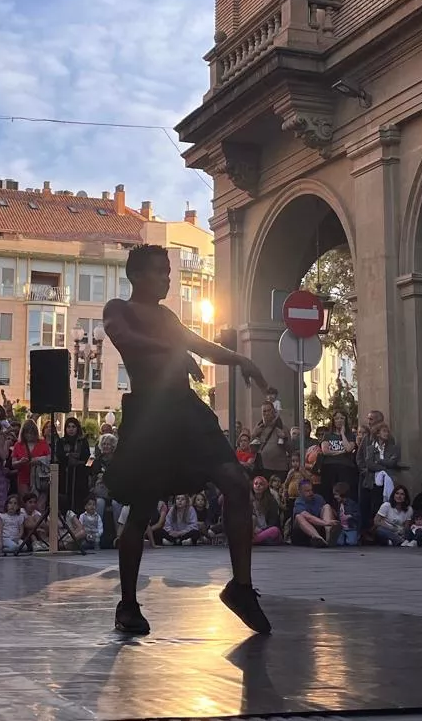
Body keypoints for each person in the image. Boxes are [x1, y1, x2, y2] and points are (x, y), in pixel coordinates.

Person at [102, 244, 271, 636]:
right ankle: (127, 603)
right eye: (160, 272)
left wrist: (239, 359)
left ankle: (241, 587)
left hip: (186, 411)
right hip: (150, 415)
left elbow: (199, 345)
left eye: (168, 271)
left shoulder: (167, 315)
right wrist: (174, 350)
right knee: (142, 509)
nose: (167, 278)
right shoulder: (118, 308)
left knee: (236, 483)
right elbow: (125, 338)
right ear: (137, 276)